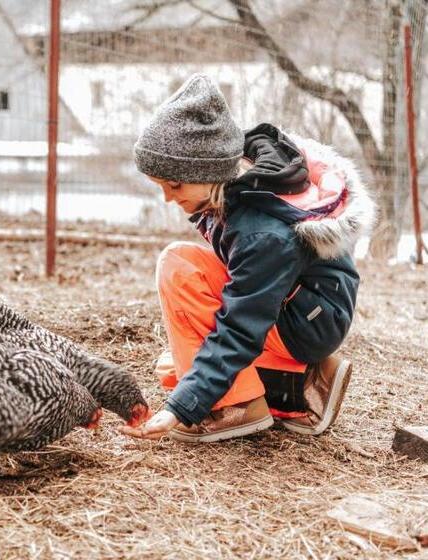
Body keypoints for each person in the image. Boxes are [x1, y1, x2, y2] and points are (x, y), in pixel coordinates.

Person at [120, 74, 376, 443]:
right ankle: (300, 385)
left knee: (180, 268)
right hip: (304, 309)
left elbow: (239, 327)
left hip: (307, 321)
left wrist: (181, 407)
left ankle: (236, 409)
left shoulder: (262, 230)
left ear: (205, 170)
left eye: (174, 185)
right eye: (161, 187)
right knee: (173, 365)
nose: (168, 198)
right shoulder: (238, 186)